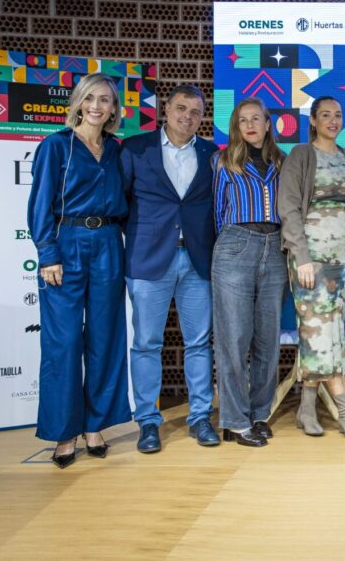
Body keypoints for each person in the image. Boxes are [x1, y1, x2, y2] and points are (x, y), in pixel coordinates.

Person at [27, 72, 131, 468]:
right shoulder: (57, 146)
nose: (97, 106)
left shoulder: (119, 151)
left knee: (105, 340)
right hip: (66, 246)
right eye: (91, 98)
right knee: (63, 342)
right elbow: (41, 204)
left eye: (105, 100)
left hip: (107, 244)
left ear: (113, 109)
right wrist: (48, 253)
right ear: (78, 102)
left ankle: (95, 426)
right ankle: (64, 432)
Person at [120, 85, 219, 454]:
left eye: (195, 112)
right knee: (146, 343)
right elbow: (120, 204)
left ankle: (199, 417)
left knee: (198, 343)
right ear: (166, 109)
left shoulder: (211, 153)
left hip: (197, 260)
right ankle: (147, 421)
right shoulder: (135, 149)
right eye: (181, 109)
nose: (187, 117)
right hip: (148, 261)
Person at [279, 96, 345, 442]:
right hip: (309, 260)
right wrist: (301, 257)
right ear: (313, 120)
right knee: (317, 333)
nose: (333, 121)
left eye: (338, 115)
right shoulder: (301, 155)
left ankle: (307, 405)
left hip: (339, 260)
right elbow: (288, 207)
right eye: (326, 115)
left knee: (331, 331)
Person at [210, 97, 287, 447]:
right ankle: (234, 419)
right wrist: (228, 245)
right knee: (234, 338)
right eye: (244, 120)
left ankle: (259, 414)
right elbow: (215, 212)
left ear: (269, 124)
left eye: (257, 118)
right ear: (236, 127)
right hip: (236, 244)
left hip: (275, 246)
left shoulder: (283, 162)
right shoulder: (223, 161)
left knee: (268, 340)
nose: (251, 125)